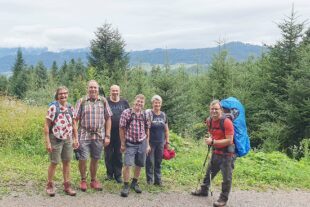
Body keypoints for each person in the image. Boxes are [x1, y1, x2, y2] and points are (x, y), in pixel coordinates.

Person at [192, 99, 235, 207]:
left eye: (216, 109)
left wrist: (214, 141)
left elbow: (229, 140)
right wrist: (210, 139)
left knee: (226, 178)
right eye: (212, 109)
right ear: (209, 110)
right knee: (209, 172)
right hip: (216, 151)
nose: (214, 111)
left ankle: (223, 199)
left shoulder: (227, 122)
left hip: (227, 155)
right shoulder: (209, 120)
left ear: (221, 109)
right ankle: (204, 190)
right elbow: (212, 133)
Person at [75, 80, 112, 192]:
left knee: (95, 158)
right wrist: (75, 137)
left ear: (98, 89)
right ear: (87, 88)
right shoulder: (81, 101)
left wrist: (108, 136)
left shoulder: (103, 101)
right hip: (84, 134)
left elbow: (108, 118)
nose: (93, 89)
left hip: (99, 135)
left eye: (95, 87)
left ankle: (93, 180)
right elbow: (75, 119)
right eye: (91, 87)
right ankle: (83, 180)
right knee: (83, 158)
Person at [44, 86, 79, 196]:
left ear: (67, 94)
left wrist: (76, 138)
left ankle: (67, 186)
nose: (63, 95)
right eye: (61, 94)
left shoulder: (70, 107)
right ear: (57, 96)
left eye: (65, 93)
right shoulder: (53, 108)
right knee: (54, 162)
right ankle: (49, 185)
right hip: (55, 138)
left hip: (67, 139)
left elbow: (74, 124)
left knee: (67, 162)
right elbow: (46, 125)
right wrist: (48, 142)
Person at [119, 94, 151, 197]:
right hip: (130, 142)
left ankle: (134, 183)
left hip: (142, 142)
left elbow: (147, 129)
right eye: (138, 101)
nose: (139, 103)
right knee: (127, 164)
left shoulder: (145, 115)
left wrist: (147, 144)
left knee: (139, 164)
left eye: (141, 102)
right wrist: (123, 143)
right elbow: (121, 128)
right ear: (134, 101)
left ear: (143, 104)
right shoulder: (126, 113)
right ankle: (126, 185)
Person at [104, 85, 129, 183]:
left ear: (119, 91)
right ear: (110, 91)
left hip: (121, 133)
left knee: (118, 154)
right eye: (113, 90)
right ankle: (109, 174)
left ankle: (118, 175)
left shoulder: (124, 102)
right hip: (108, 132)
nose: (115, 92)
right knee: (108, 154)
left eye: (116, 90)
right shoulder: (105, 101)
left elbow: (129, 116)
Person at [145, 95, 169, 186]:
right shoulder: (149, 114)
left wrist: (167, 141)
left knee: (158, 161)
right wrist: (147, 144)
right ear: (152, 103)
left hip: (160, 143)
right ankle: (150, 180)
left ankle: (158, 180)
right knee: (150, 161)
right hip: (151, 142)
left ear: (161, 104)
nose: (157, 104)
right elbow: (147, 129)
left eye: (159, 102)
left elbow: (166, 129)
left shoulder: (163, 115)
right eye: (155, 102)